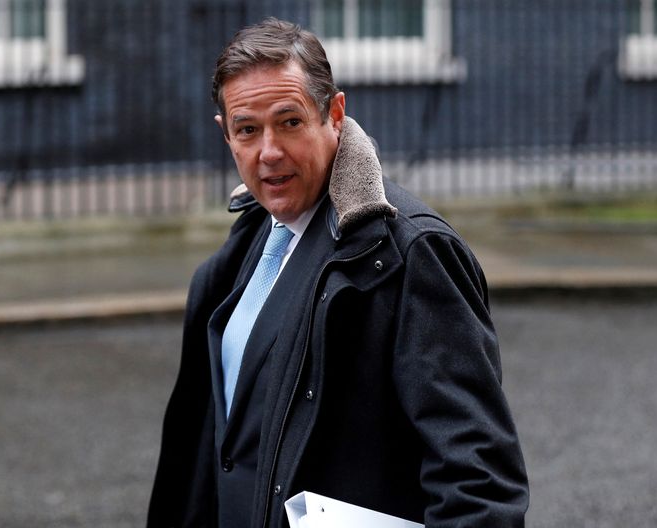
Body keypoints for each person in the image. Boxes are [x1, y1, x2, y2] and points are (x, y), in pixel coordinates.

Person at [148, 17, 528, 528]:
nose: (269, 153)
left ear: (335, 114)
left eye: (289, 122)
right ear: (226, 135)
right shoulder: (248, 243)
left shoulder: (412, 253)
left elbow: (478, 480)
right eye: (248, 130)